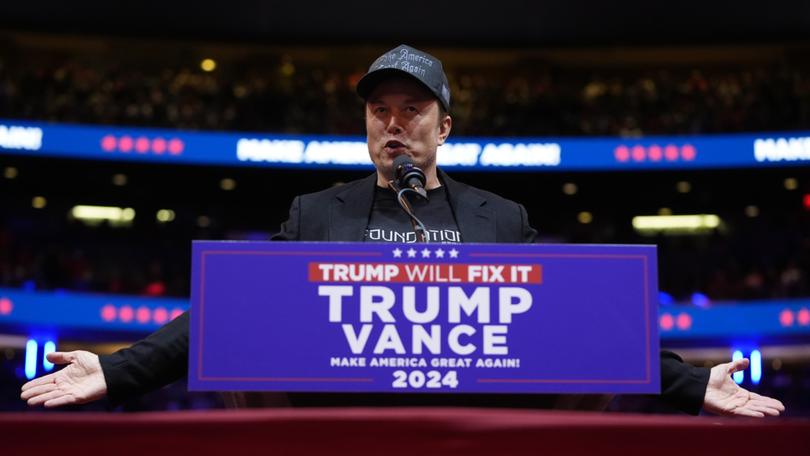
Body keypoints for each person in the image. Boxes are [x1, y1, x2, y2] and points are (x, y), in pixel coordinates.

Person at [21, 45, 784, 417]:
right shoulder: (315, 213)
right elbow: (233, 313)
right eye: (378, 110)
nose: (393, 123)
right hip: (341, 432)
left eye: (411, 109)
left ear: (443, 126)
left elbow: (573, 322)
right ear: (364, 126)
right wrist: (120, 370)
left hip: (472, 428)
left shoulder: (499, 218)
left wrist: (688, 383)